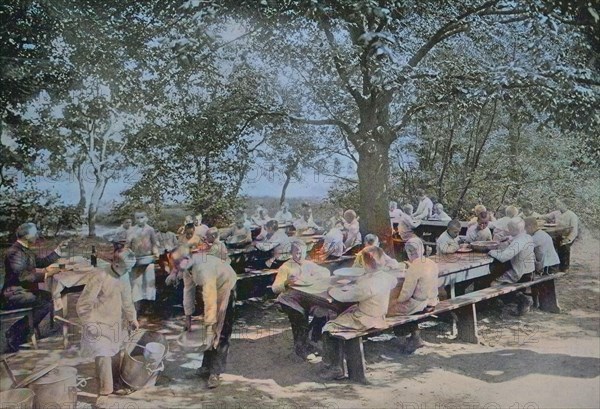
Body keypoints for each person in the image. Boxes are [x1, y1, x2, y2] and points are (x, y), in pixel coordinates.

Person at [76, 233, 139, 408]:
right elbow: (83, 304)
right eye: (126, 268)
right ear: (115, 263)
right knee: (103, 355)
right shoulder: (99, 276)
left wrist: (132, 318)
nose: (128, 272)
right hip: (97, 323)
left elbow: (127, 300)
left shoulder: (124, 275)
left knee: (116, 353)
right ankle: (104, 393)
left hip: (115, 322)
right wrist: (90, 324)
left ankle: (116, 384)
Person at [320, 246, 398, 380]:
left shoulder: (367, 284)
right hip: (380, 315)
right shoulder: (387, 278)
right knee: (344, 314)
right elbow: (392, 282)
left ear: (366, 264)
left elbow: (344, 297)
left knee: (328, 327)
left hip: (365, 319)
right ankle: (339, 362)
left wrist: (331, 290)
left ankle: (335, 368)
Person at [168, 247, 237, 389]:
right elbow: (188, 290)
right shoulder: (187, 268)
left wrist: (210, 324)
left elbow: (210, 300)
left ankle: (215, 372)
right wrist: (188, 317)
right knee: (208, 330)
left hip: (226, 284)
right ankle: (206, 367)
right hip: (213, 285)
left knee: (219, 329)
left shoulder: (203, 269)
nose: (175, 267)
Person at [1, 223, 68, 351]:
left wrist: (58, 249)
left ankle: (24, 330)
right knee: (45, 304)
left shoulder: (25, 249)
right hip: (12, 294)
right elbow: (23, 277)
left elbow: (41, 262)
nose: (37, 235)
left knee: (48, 297)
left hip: (21, 291)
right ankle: (14, 333)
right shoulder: (14, 252)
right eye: (35, 233)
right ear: (26, 235)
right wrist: (47, 274)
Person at [272, 240, 331, 358]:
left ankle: (313, 339)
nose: (300, 256)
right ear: (291, 253)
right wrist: (286, 282)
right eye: (297, 253)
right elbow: (274, 288)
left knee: (324, 311)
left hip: (306, 298)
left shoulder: (308, 264)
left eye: (303, 253)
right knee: (300, 317)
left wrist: (316, 275)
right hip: (289, 299)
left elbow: (326, 272)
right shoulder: (286, 267)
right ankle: (300, 348)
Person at [388, 237, 439, 353]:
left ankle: (408, 338)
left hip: (419, 304)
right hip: (432, 301)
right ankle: (413, 335)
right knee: (401, 305)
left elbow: (406, 295)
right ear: (422, 250)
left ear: (409, 253)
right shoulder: (432, 263)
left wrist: (395, 301)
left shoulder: (414, 268)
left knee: (390, 308)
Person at [488, 219, 536, 315]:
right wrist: (507, 240)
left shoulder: (518, 241)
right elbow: (512, 242)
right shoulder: (527, 237)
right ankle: (509, 300)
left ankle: (522, 300)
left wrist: (490, 251)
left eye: (509, 229)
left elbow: (504, 257)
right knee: (499, 277)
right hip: (530, 271)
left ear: (513, 229)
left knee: (493, 285)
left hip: (520, 273)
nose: (508, 231)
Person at [127, 211, 160, 314]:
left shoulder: (150, 229)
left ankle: (148, 307)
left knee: (149, 282)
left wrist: (156, 253)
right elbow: (127, 245)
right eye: (137, 217)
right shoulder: (132, 230)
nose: (140, 219)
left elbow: (154, 243)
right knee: (136, 283)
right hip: (136, 260)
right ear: (134, 219)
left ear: (146, 218)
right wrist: (130, 252)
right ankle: (136, 308)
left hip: (148, 259)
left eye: (142, 217)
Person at [555, 199, 579, 272]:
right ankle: (556, 265)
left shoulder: (572, 215)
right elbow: (546, 216)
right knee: (551, 243)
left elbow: (574, 231)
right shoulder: (556, 213)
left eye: (560, 204)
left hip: (568, 235)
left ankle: (565, 267)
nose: (558, 206)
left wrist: (568, 239)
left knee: (564, 246)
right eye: (558, 204)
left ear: (565, 205)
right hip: (558, 235)